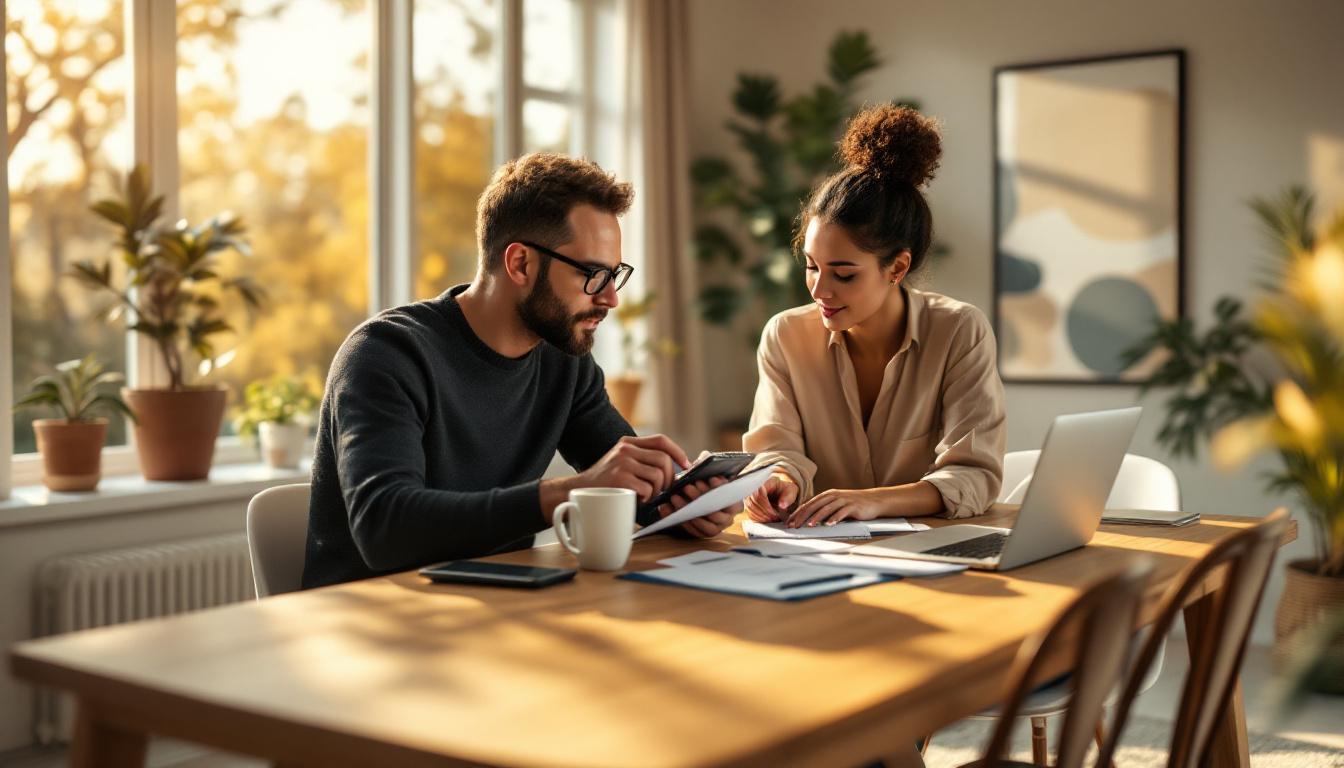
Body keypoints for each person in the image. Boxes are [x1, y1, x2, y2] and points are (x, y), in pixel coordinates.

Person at [303, 153, 738, 589]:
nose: (610, 299)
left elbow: (632, 490)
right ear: (521, 264)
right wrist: (568, 493)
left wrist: (687, 506)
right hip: (370, 623)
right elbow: (385, 530)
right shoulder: (386, 355)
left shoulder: (563, 362)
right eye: (592, 274)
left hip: (497, 606)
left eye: (614, 275)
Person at [743, 104, 1006, 529]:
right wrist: (778, 480)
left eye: (844, 274)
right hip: (819, 559)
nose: (819, 290)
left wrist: (872, 502)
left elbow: (974, 476)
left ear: (897, 269)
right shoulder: (785, 335)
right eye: (812, 266)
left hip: (934, 557)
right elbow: (778, 449)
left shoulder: (959, 331)